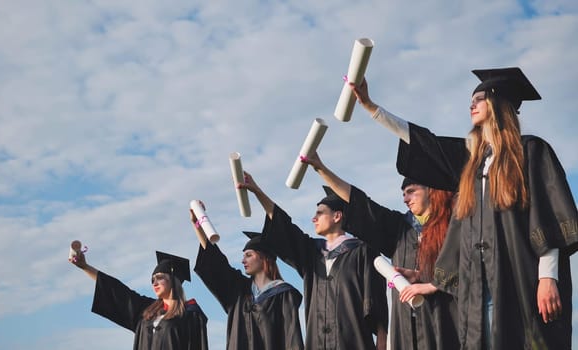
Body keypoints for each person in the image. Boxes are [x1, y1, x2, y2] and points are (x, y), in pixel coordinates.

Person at [349, 67, 578, 349]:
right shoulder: (473, 168)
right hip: (479, 292)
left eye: (480, 98)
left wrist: (547, 277)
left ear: (499, 102)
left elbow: (547, 218)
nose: (471, 104)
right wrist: (372, 107)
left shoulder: (529, 152)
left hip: (520, 282)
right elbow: (426, 144)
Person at [301, 151, 458, 350]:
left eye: (411, 191)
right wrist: (322, 169)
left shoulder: (454, 225)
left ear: (430, 190)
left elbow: (466, 269)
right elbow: (362, 205)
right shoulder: (399, 228)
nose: (405, 199)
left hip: (444, 323)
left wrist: (431, 283)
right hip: (407, 330)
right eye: (403, 194)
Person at [238, 171, 389, 350]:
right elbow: (285, 228)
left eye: (320, 213)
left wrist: (382, 343)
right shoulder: (312, 254)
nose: (313, 218)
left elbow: (376, 303)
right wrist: (257, 191)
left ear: (337, 216)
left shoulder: (362, 252)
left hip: (354, 343)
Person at [190, 205, 304, 350]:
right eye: (244, 256)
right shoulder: (237, 290)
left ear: (265, 258)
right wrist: (198, 223)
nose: (243, 260)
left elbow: (292, 338)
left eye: (249, 255)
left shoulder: (283, 294)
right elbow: (216, 263)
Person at [69, 246, 209, 350]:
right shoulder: (148, 310)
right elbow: (118, 292)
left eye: (160, 278)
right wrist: (85, 267)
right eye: (152, 279)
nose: (154, 283)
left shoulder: (190, 314)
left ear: (174, 281)